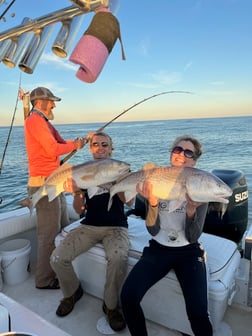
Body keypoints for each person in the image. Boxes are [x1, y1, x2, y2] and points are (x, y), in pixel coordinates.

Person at [121, 135, 213, 336]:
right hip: (158, 249)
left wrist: (191, 210)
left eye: (188, 152)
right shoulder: (155, 180)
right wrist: (152, 202)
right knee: (128, 297)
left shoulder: (199, 187)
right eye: (177, 149)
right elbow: (153, 230)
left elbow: (193, 235)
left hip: (188, 251)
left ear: (194, 161)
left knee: (198, 313)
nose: (181, 154)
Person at [50, 131, 134, 332]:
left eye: (105, 144)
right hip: (89, 225)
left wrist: (115, 181)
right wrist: (77, 192)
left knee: (118, 258)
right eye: (96, 144)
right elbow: (79, 209)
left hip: (116, 226)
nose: (101, 148)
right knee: (57, 258)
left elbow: (129, 201)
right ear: (91, 148)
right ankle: (72, 292)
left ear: (111, 149)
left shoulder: (122, 170)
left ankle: (111, 306)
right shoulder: (84, 171)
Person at [24, 86, 85, 290]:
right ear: (40, 103)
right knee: (48, 235)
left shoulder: (45, 123)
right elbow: (52, 149)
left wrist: (77, 143)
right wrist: (73, 146)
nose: (54, 104)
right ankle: (44, 279)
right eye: (51, 101)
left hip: (53, 182)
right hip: (42, 184)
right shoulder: (34, 120)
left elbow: (59, 142)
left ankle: (59, 269)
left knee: (63, 225)